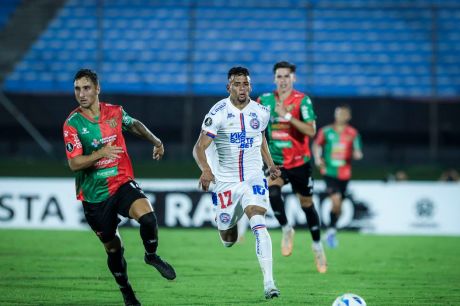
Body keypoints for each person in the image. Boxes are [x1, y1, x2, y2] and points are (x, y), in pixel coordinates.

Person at [63, 69, 176, 306]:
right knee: (114, 250)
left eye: (86, 88)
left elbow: (133, 124)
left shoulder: (114, 112)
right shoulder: (72, 124)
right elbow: (74, 163)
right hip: (95, 197)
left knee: (148, 218)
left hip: (121, 181)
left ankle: (151, 256)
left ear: (97, 89)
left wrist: (156, 141)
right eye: (77, 89)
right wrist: (101, 152)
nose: (81, 94)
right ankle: (126, 291)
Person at [193, 66, 281, 299]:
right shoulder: (218, 112)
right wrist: (205, 170)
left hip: (253, 177)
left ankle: (269, 283)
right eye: (237, 84)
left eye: (246, 84)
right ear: (228, 87)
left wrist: (270, 165)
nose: (242, 88)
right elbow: (199, 147)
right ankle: (231, 216)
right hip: (225, 183)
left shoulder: (261, 112)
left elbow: (261, 138)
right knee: (228, 240)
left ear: (250, 86)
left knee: (258, 219)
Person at [258, 61, 327, 273]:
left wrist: (286, 115)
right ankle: (287, 228)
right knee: (272, 191)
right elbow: (258, 130)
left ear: (293, 78)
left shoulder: (302, 100)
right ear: (274, 79)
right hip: (276, 162)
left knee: (307, 204)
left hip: (299, 162)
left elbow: (311, 131)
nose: (283, 80)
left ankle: (317, 246)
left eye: (287, 76)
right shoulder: (264, 100)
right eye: (279, 76)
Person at [313, 105, 363, 248]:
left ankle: (331, 231)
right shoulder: (326, 131)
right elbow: (317, 145)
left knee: (339, 206)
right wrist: (317, 158)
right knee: (336, 201)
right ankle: (331, 231)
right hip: (329, 172)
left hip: (345, 174)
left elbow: (358, 150)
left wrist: (357, 154)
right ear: (335, 115)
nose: (341, 116)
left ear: (348, 116)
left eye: (344, 114)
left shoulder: (353, 133)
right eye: (339, 113)